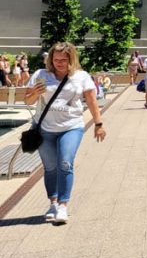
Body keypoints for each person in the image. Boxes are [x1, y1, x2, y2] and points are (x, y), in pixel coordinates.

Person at [25, 42, 106, 224]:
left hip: (71, 127)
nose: (59, 63)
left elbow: (92, 101)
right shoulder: (41, 74)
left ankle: (63, 205)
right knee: (50, 167)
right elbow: (28, 101)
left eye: (63, 59)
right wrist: (35, 94)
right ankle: (52, 202)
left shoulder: (82, 76)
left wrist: (98, 123)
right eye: (56, 59)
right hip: (44, 129)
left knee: (65, 163)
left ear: (71, 59)